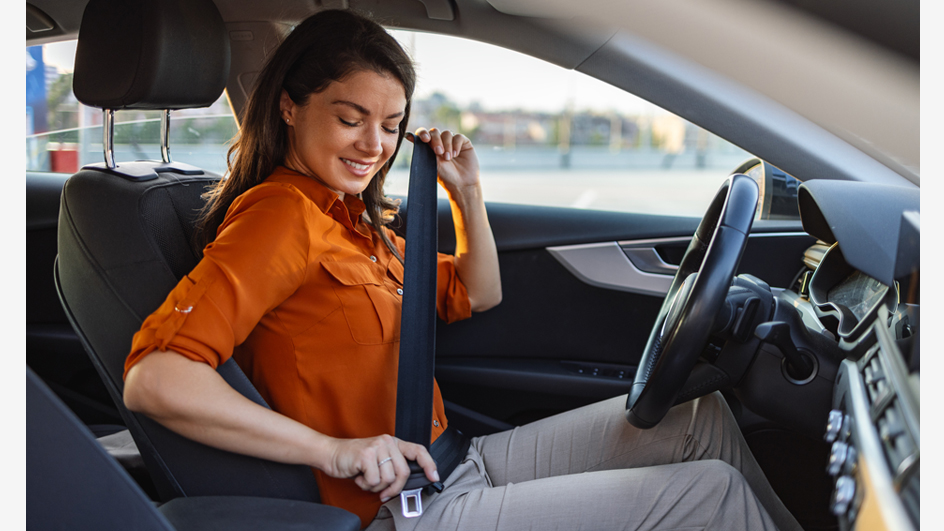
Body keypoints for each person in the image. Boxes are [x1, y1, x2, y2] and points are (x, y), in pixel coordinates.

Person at [122, 9, 802, 531]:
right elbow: (155, 379)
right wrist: (333, 450)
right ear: (290, 107)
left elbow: (479, 292)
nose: (374, 144)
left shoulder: (352, 220)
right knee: (711, 494)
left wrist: (466, 190)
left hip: (453, 458)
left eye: (390, 124)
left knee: (701, 420)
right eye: (350, 118)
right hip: (402, 508)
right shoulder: (280, 217)